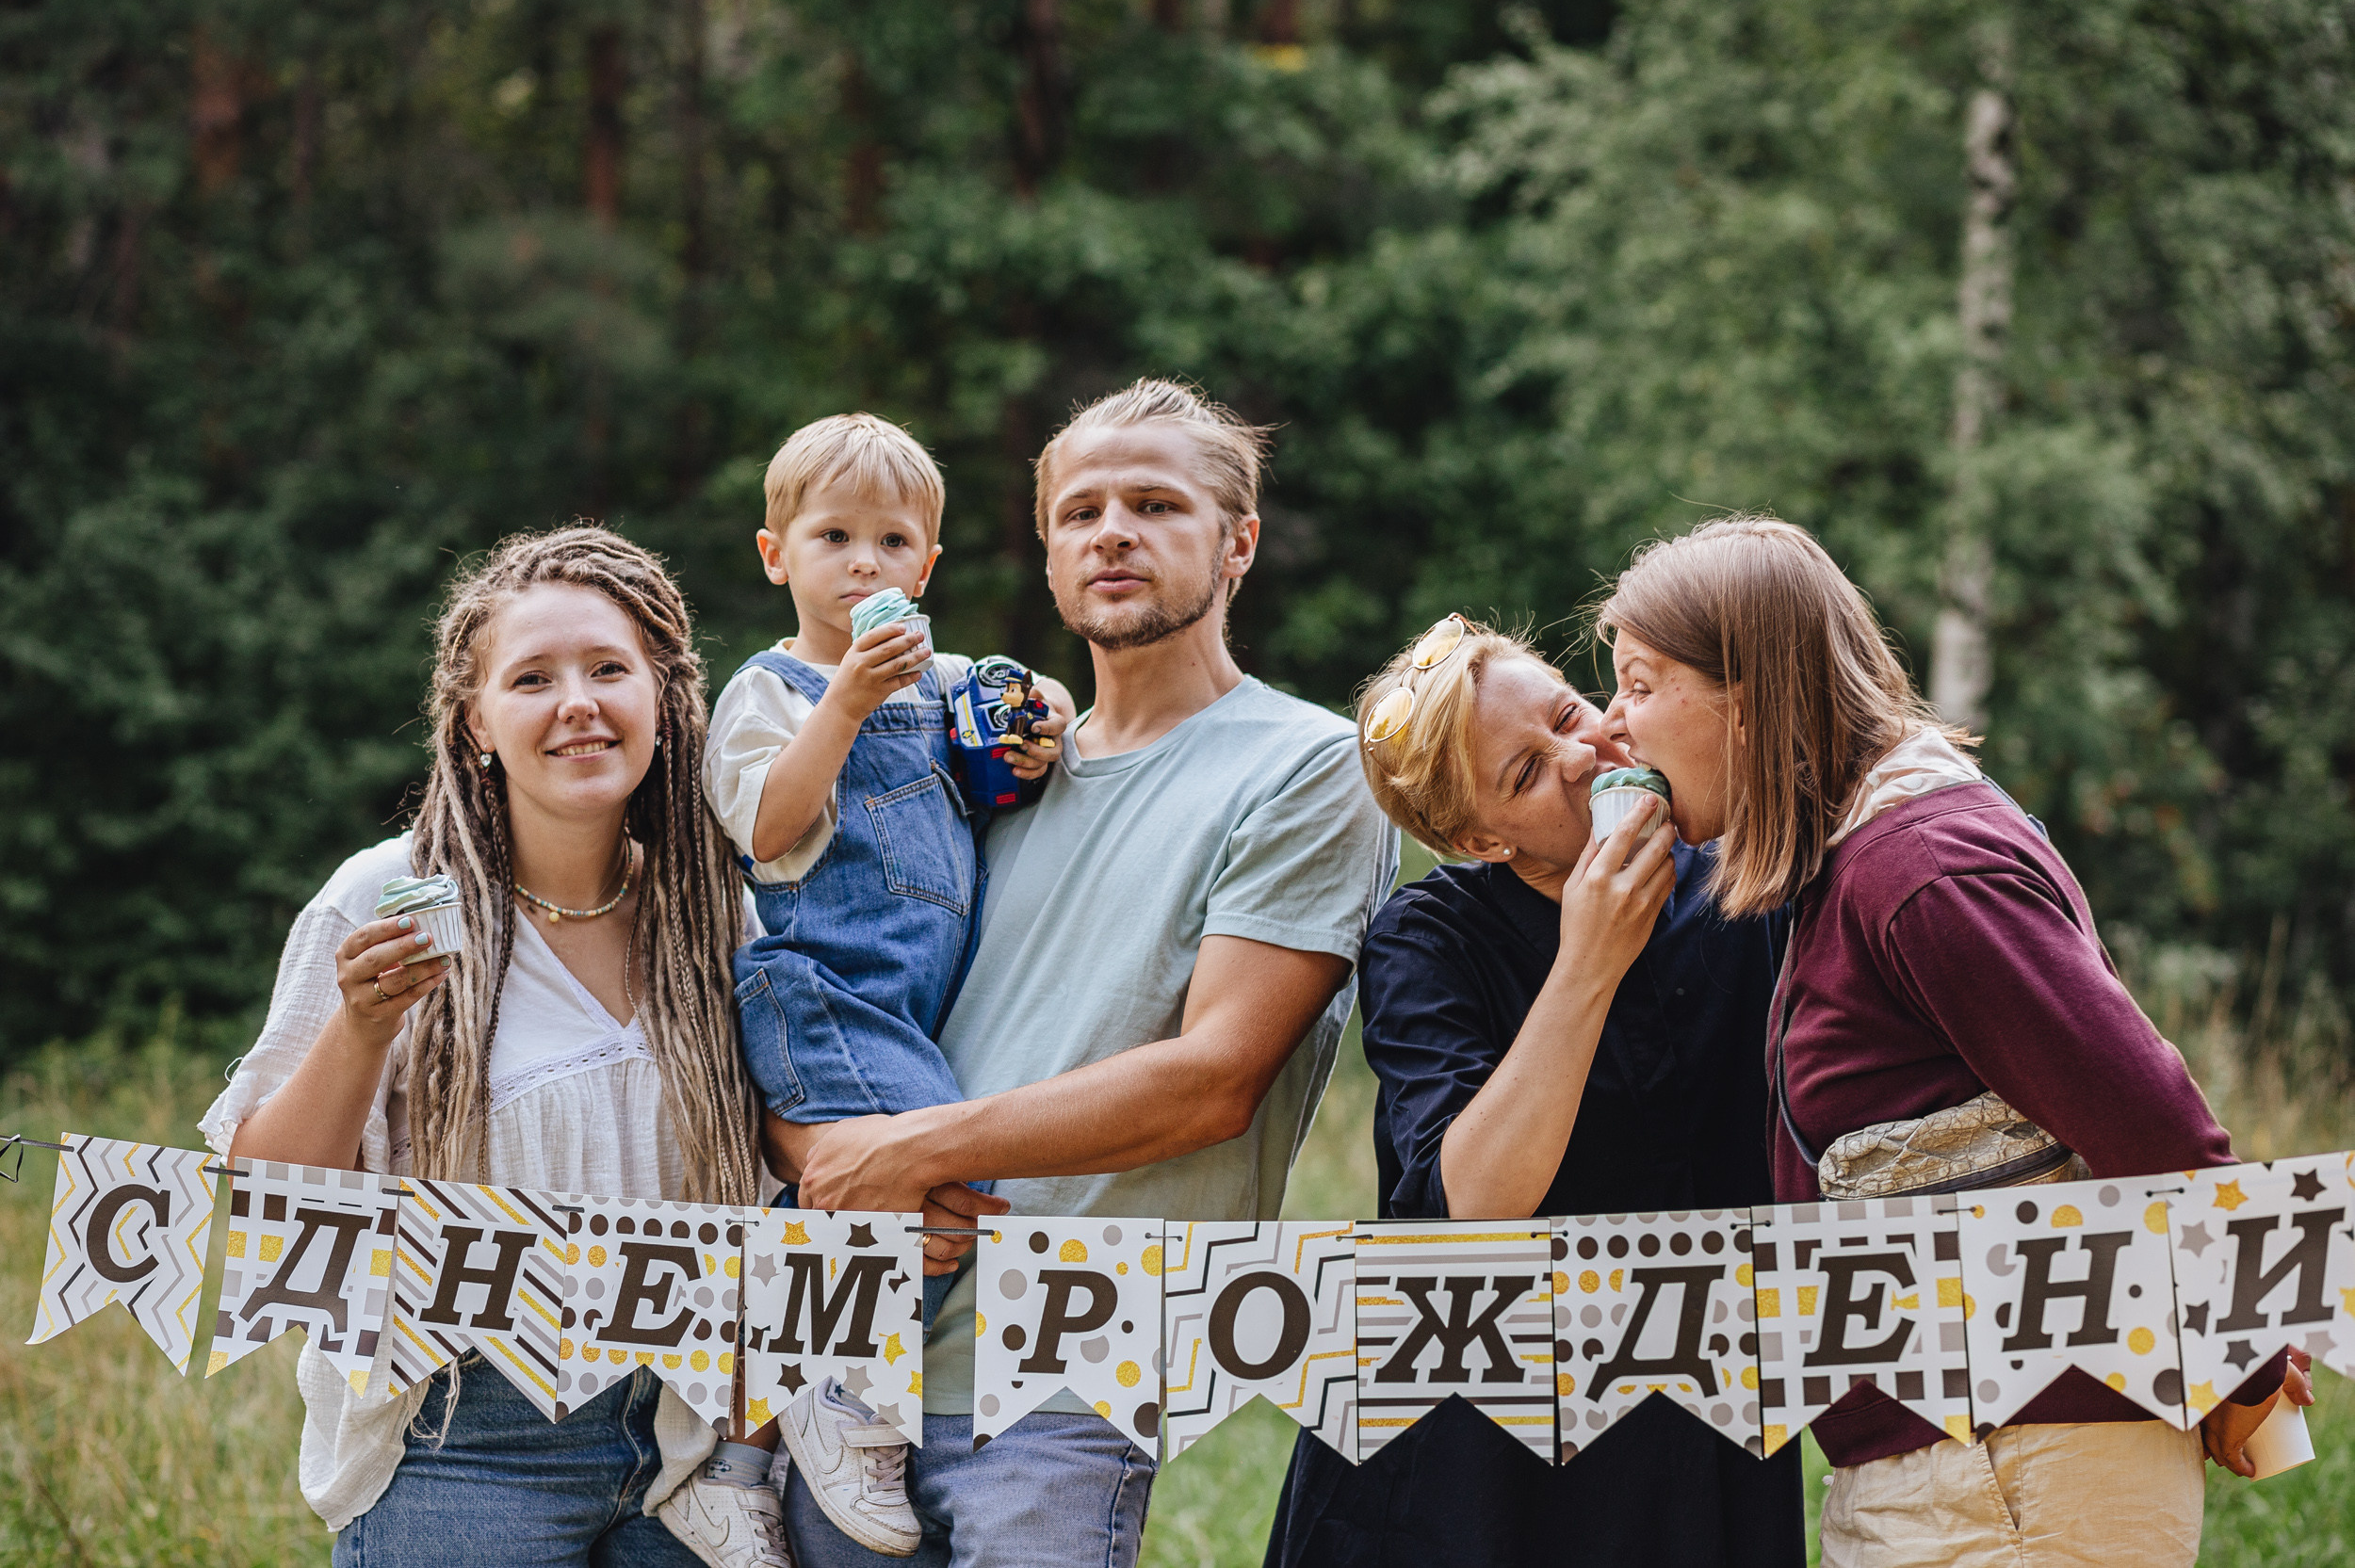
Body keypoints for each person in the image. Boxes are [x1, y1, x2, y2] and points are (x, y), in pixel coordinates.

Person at [1592, 514, 2314, 1568]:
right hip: (1969, 1466)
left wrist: (2246, 1372)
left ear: (1746, 698)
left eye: (1640, 684)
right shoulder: (1853, 862)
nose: (1615, 723)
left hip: (2018, 1471)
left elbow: (2155, 1121)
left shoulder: (1921, 868)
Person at [764, 380, 1399, 1568]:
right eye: (1080, 511)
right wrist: (828, 1155)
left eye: (1155, 505)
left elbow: (1214, 1079)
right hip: (853, 1363)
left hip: (1067, 1370)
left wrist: (913, 1151)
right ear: (1048, 552)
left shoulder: (1308, 766)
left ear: (1238, 543)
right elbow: (819, 989)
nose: (1112, 532)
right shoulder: (987, 764)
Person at [203, 527, 786, 1568]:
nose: (578, 702)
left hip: (689, 1454)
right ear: (477, 720)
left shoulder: (715, 909)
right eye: (532, 678)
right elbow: (270, 1200)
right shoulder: (384, 896)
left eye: (608, 669)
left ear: (662, 697)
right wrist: (362, 1026)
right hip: (463, 1445)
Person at [1262, 618, 1805, 1568]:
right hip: (1468, 1458)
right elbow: (1468, 1204)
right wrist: (1588, 960)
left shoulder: (1744, 880)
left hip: (1700, 1429)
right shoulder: (1429, 936)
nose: (1579, 755)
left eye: (1565, 713)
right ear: (1479, 838)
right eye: (1524, 773)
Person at [700, 413, 1072, 1560]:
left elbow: (1026, 704)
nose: (865, 563)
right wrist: (846, 701)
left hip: (909, 1004)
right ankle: (844, 1399)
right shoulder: (768, 691)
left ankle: (733, 1464)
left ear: (927, 566)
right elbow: (767, 826)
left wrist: (1043, 721)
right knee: (940, 1173)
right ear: (777, 556)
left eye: (893, 542)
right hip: (823, 986)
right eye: (834, 537)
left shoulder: (944, 678)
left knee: (830, 1214)